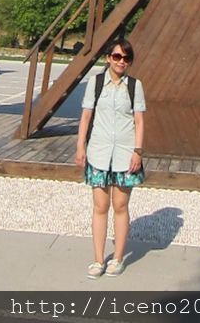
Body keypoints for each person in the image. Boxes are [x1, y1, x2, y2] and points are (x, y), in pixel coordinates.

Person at [75, 38, 145, 278]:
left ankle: (117, 259)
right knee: (100, 206)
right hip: (99, 153)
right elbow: (86, 117)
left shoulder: (134, 86)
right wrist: (80, 146)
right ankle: (98, 260)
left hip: (125, 155)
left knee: (121, 206)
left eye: (126, 58)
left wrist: (138, 151)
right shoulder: (95, 84)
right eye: (117, 56)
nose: (121, 61)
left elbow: (139, 121)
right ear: (108, 58)